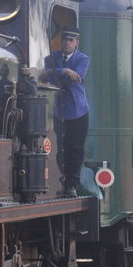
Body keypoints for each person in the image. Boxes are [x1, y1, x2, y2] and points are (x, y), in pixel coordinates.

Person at [40, 28, 90, 197]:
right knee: (60, 147)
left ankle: (72, 184)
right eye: (64, 40)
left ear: (76, 43)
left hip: (78, 110)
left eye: (70, 40)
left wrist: (58, 72)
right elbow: (45, 77)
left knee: (75, 148)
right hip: (59, 110)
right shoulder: (50, 58)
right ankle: (62, 180)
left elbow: (75, 77)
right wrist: (67, 71)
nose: (66, 43)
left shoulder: (82, 59)